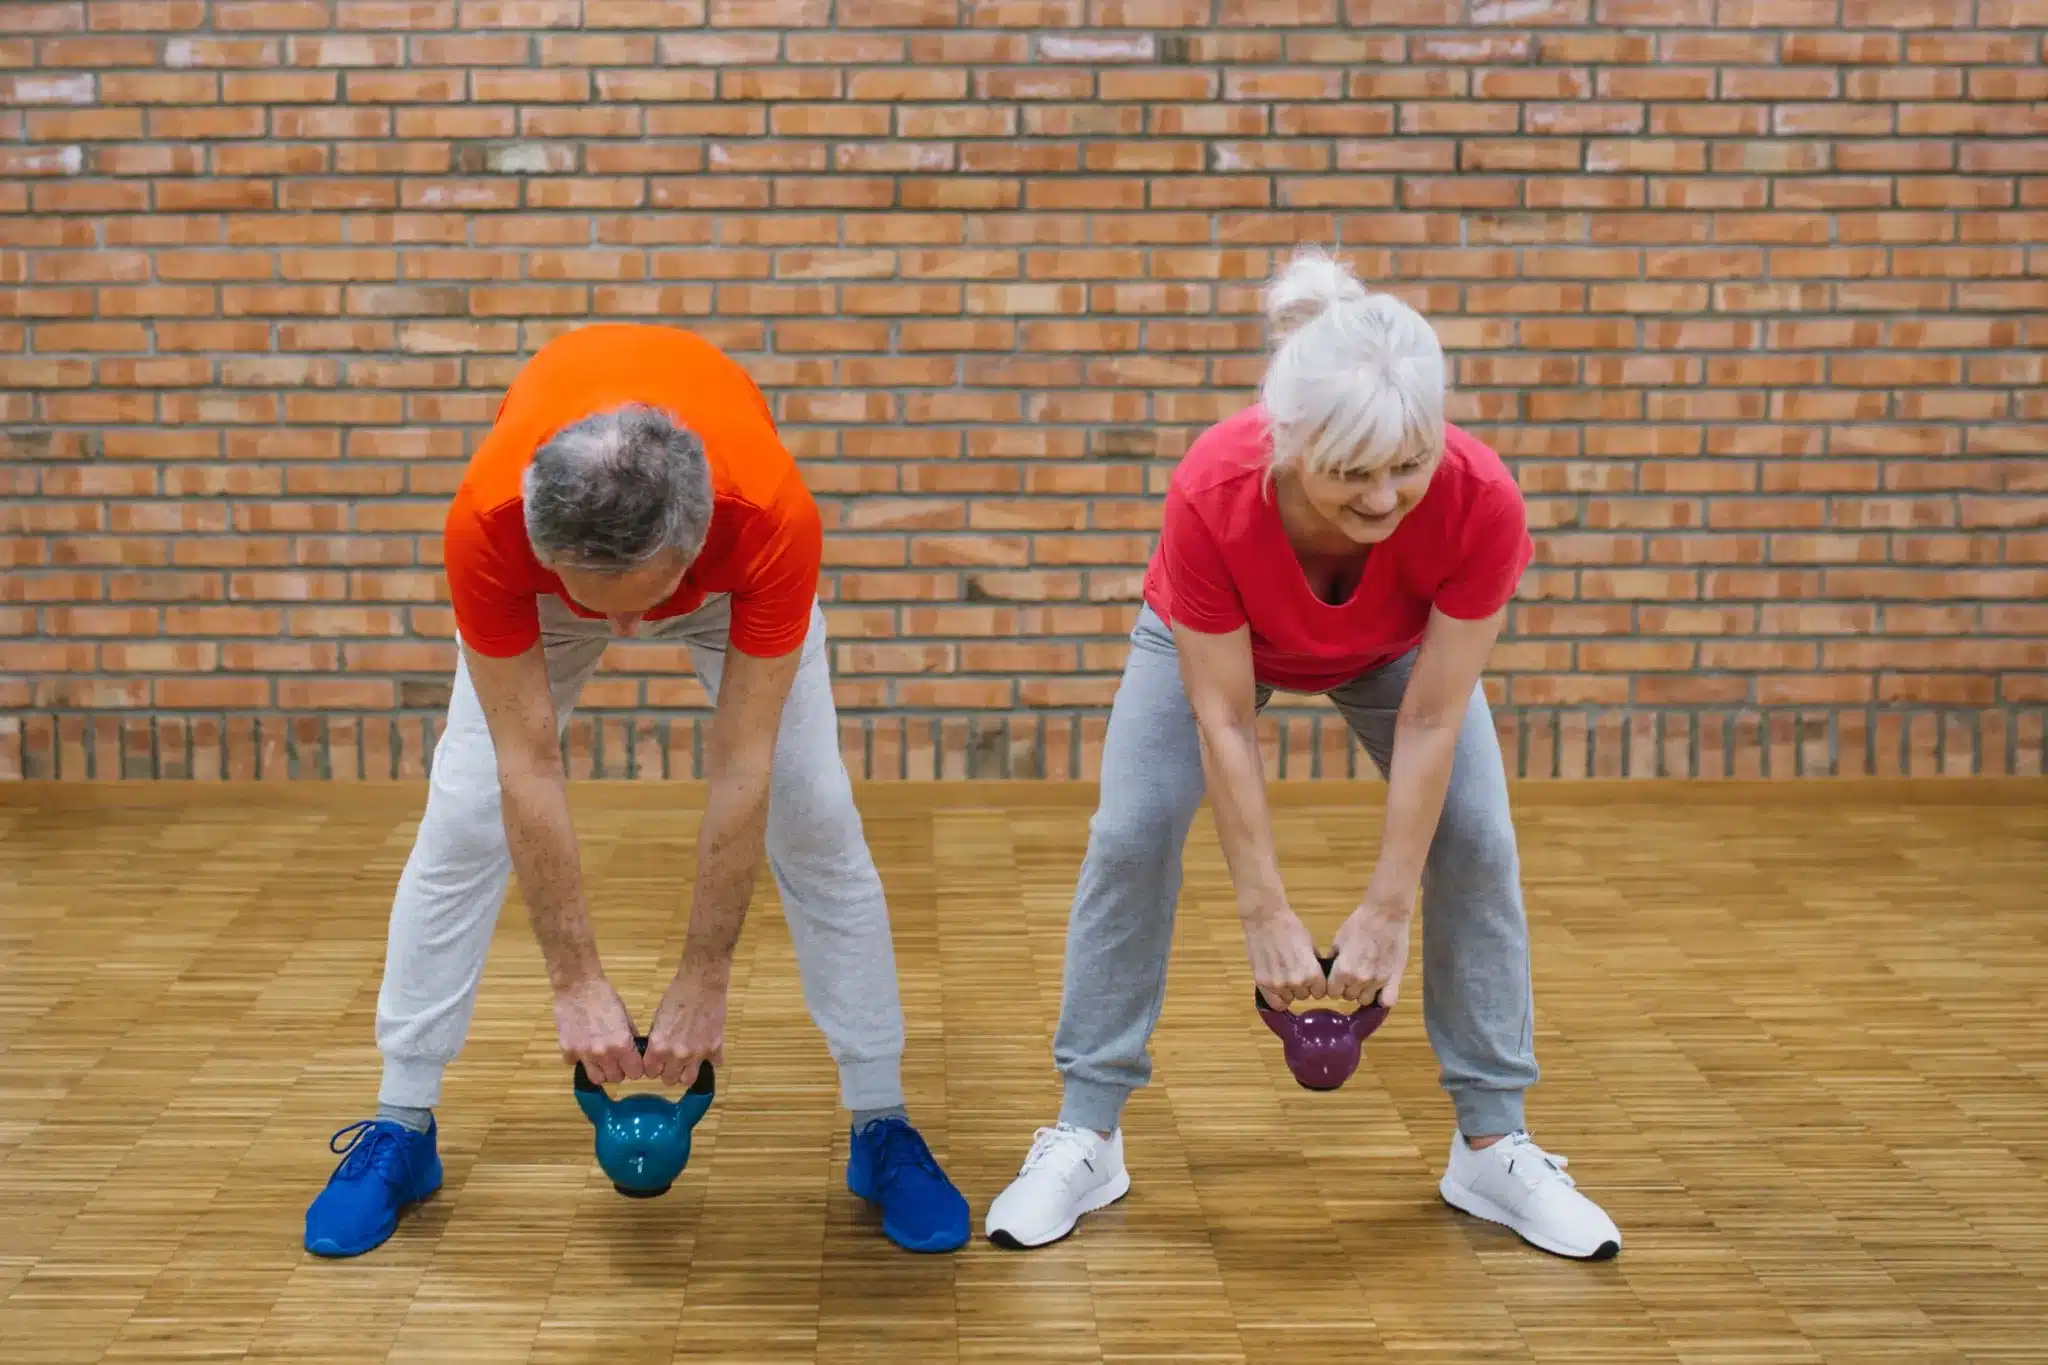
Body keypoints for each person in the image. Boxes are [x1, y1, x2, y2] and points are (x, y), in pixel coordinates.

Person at [982, 248, 1622, 1262]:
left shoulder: (1480, 500)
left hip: (1395, 650)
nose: (1384, 500)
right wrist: (1264, 911)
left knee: (1476, 835)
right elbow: (1225, 719)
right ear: (1287, 443)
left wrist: (1387, 908)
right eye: (1351, 475)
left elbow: (1431, 719)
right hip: (1220, 641)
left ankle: (1492, 1144)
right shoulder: (1213, 490)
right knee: (1131, 830)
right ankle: (1087, 1131)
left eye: (1407, 465)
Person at [303, 322, 969, 1257]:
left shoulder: (769, 518)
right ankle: (400, 1121)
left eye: (641, 605)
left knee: (812, 810)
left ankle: (881, 1119)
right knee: (462, 816)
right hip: (551, 583)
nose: (624, 633)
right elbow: (527, 765)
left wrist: (706, 975)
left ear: (689, 546)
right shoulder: (488, 524)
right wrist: (574, 980)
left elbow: (743, 766)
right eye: (598, 604)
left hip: (725, 585)